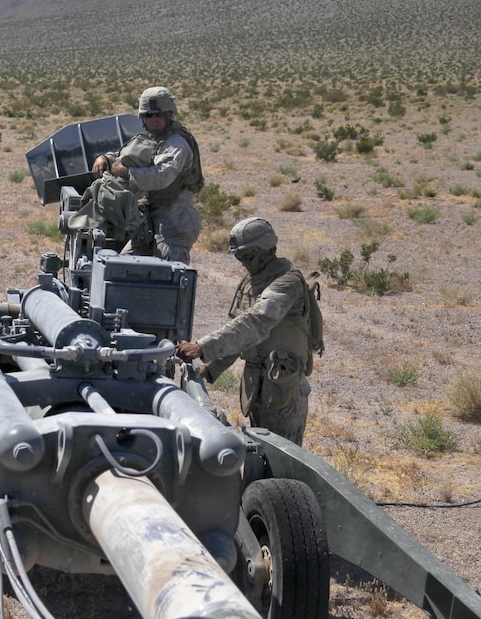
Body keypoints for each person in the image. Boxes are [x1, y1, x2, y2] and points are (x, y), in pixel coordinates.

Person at [175, 218, 322, 445]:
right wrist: (210, 367)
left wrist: (203, 347)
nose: (242, 262)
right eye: (238, 256)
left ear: (266, 248)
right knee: (260, 452)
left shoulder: (287, 282)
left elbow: (256, 322)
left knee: (284, 456)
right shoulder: (251, 281)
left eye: (247, 255)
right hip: (258, 385)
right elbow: (238, 329)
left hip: (284, 384)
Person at [91, 86, 203, 264]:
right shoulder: (153, 138)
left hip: (173, 224)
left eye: (159, 115)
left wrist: (127, 173)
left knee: (167, 279)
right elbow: (132, 156)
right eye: (149, 115)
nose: (154, 120)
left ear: (169, 115)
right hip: (147, 224)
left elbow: (161, 176)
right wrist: (105, 158)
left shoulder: (177, 143)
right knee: (122, 268)